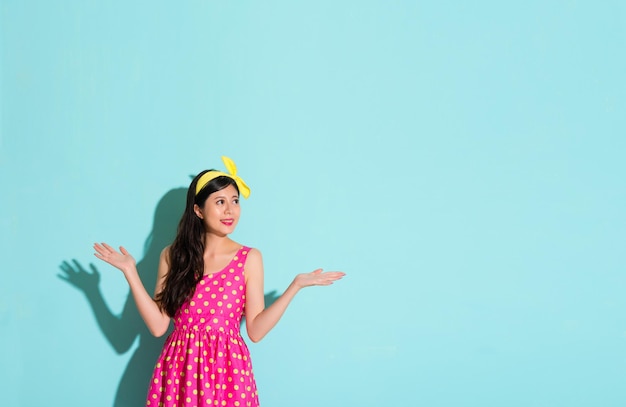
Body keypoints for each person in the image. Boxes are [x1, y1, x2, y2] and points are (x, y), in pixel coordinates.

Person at [94, 156, 345, 407]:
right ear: (198, 210)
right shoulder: (172, 256)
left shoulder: (249, 258)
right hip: (180, 372)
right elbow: (159, 326)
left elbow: (255, 331)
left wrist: (295, 286)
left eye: (235, 201)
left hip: (228, 373)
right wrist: (130, 272)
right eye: (220, 202)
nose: (230, 210)